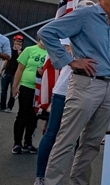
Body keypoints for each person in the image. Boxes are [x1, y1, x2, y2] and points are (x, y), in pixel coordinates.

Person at [38, 0, 110, 185]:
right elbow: (46, 32)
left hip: (108, 89)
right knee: (67, 140)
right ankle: (52, 182)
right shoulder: (85, 15)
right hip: (86, 85)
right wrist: (70, 61)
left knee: (92, 143)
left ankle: (78, 182)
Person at [35, 38, 73, 185]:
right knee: (52, 133)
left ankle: (70, 178)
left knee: (75, 138)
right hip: (63, 92)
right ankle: (40, 176)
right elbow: (58, 56)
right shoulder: (65, 35)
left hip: (84, 93)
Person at [11, 36, 47, 154]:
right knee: (22, 113)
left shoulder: (51, 54)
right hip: (27, 87)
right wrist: (15, 86)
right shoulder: (29, 50)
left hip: (41, 89)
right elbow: (20, 69)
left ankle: (28, 142)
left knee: (34, 115)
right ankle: (17, 143)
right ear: (39, 38)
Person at [1, 34, 22, 112]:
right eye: (17, 41)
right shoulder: (10, 50)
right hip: (7, 72)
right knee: (3, 91)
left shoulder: (22, 51)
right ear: (14, 41)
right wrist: (2, 70)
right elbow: (6, 60)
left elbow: (21, 61)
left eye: (20, 41)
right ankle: (2, 106)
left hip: (14, 74)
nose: (19, 43)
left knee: (12, 91)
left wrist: (19, 51)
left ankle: (9, 107)